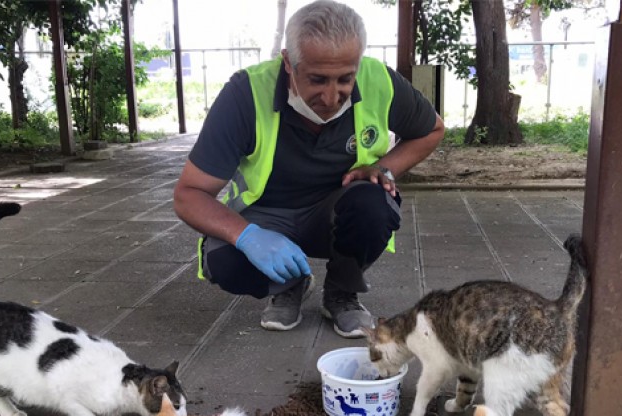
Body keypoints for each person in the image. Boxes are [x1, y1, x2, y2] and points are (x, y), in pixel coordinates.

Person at [173, 0, 444, 338]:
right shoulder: (245, 94)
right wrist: (247, 236)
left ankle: (342, 293)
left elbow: (432, 129)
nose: (332, 98)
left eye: (345, 79)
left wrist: (384, 168)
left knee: (374, 204)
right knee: (225, 261)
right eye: (317, 79)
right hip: (268, 216)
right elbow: (189, 194)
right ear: (288, 62)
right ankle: (290, 282)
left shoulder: (379, 81)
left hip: (334, 213)